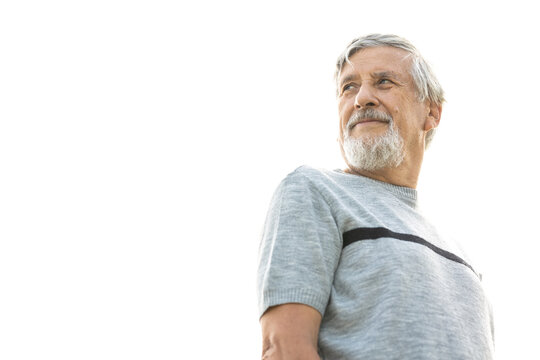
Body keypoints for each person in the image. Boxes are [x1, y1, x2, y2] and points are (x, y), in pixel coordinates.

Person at [256, 34, 494, 359]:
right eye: (348, 87)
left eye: (384, 82)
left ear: (432, 112)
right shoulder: (314, 190)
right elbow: (284, 347)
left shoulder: (463, 257)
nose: (362, 98)